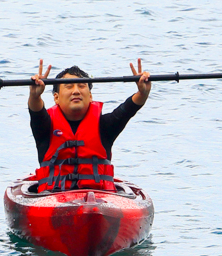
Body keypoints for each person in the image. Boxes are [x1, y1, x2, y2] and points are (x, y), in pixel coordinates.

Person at [27, 58, 151, 193]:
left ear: (90, 96)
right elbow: (36, 112)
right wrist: (35, 95)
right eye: (69, 86)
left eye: (81, 86)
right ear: (56, 97)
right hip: (53, 198)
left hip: (97, 199)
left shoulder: (105, 126)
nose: (76, 91)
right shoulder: (46, 127)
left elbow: (127, 110)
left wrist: (142, 93)